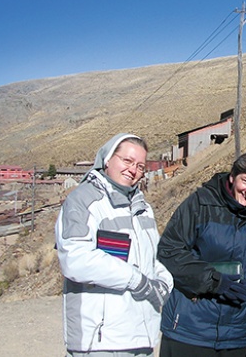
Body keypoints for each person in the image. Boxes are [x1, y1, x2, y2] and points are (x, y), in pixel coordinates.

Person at [55, 133, 174, 356]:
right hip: (100, 342)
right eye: (127, 161)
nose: (133, 170)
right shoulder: (83, 201)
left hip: (142, 337)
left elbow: (154, 258)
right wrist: (137, 280)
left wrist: (165, 283)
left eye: (140, 166)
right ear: (108, 159)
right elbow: (75, 259)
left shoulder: (143, 208)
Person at [157, 151, 246, 357]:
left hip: (239, 332)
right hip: (191, 328)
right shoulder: (200, 204)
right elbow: (169, 251)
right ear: (233, 176)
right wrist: (215, 281)